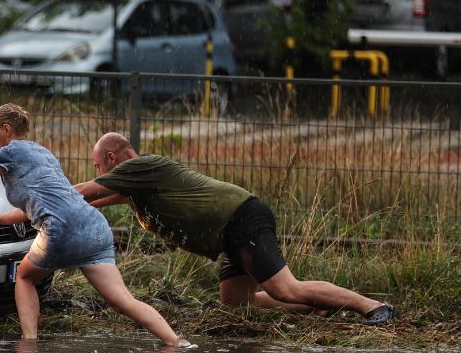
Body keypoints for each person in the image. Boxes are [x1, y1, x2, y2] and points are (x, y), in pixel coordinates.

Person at [0, 103, 191, 346]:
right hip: (93, 228)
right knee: (123, 301)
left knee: (25, 278)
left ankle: (30, 346)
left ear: (5, 129)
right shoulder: (43, 153)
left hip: (62, 229)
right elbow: (44, 205)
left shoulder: (9, 153)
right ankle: (175, 343)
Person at [75, 132, 394, 325]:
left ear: (111, 158)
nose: (98, 172)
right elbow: (91, 201)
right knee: (236, 301)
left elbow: (86, 192)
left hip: (241, 219)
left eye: (98, 166)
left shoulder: (139, 167)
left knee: (285, 289)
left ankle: (372, 306)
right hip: (230, 232)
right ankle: (320, 305)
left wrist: (42, 196)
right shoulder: (138, 183)